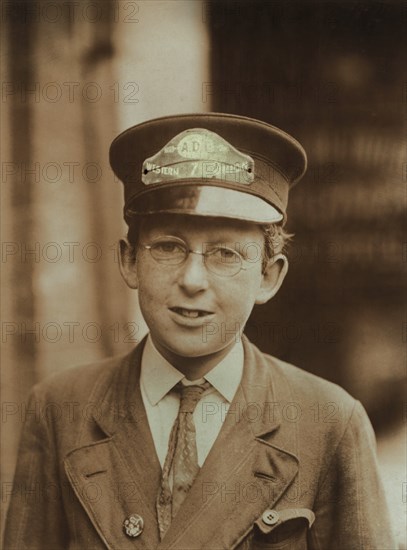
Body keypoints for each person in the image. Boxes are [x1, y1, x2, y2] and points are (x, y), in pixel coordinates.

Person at [4, 113, 396, 549]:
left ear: (269, 276)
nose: (193, 279)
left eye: (225, 254)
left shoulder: (328, 423)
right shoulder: (60, 409)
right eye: (168, 247)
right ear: (130, 261)